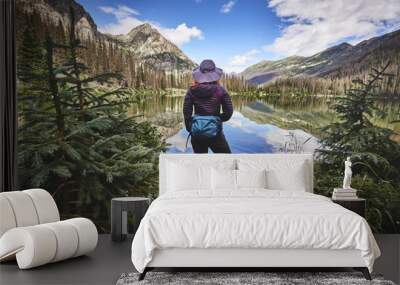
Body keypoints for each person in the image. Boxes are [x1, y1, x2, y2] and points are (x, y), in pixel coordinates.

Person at [183, 59, 233, 153]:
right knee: (226, 159)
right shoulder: (220, 90)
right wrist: (216, 119)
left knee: (201, 162)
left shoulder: (191, 91)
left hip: (197, 133)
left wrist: (191, 128)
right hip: (216, 134)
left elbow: (186, 113)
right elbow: (228, 113)